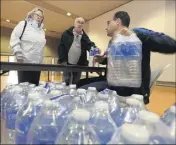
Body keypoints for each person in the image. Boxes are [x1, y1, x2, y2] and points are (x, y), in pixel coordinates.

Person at [79, 11, 176, 104]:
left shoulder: (137, 33)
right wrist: (103, 60)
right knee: (79, 83)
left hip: (130, 89)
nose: (106, 27)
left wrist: (134, 36)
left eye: (108, 22)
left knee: (81, 91)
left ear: (117, 22)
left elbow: (172, 45)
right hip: (113, 83)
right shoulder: (112, 42)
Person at [9, 8, 46, 86]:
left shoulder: (42, 31)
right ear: (32, 15)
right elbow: (14, 38)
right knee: (24, 89)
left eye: (41, 16)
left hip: (37, 66)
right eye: (37, 15)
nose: (39, 17)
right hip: (24, 64)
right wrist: (18, 52)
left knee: (34, 88)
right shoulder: (23, 24)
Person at [58, 17, 98, 85]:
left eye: (82, 23)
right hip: (66, 63)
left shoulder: (84, 36)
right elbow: (61, 47)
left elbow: (89, 44)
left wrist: (95, 48)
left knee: (76, 82)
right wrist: (62, 60)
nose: (80, 24)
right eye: (78, 22)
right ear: (74, 23)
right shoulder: (66, 33)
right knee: (66, 81)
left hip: (79, 64)